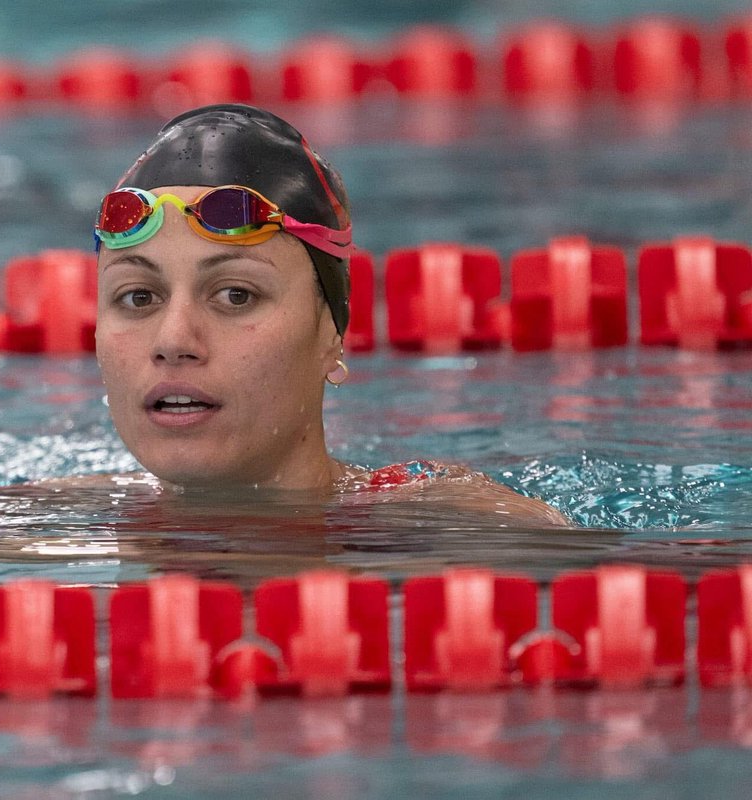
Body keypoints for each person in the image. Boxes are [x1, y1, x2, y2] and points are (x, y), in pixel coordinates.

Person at [87, 103, 568, 526]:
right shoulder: (41, 528)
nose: (173, 340)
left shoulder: (468, 533)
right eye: (138, 297)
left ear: (331, 332)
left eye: (236, 295)